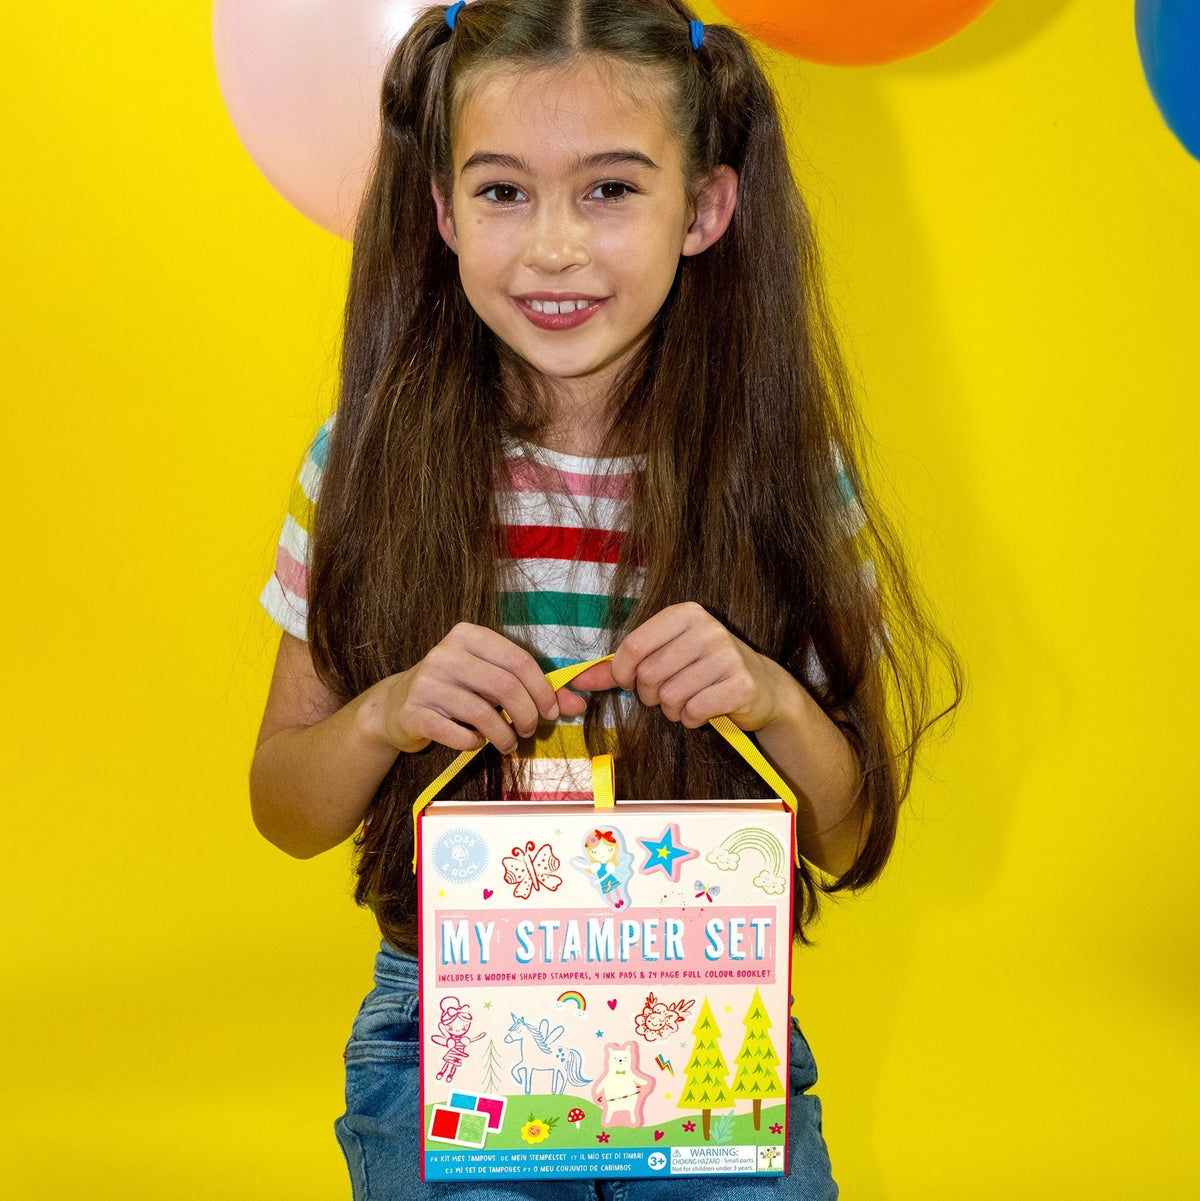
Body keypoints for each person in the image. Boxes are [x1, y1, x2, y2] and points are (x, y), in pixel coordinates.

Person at [251, 1, 959, 1197]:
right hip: (441, 1030)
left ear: (707, 209)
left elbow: (849, 835)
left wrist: (775, 698)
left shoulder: (782, 472)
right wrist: (382, 715)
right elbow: (284, 807)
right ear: (441, 211)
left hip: (705, 1022)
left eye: (612, 190)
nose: (554, 248)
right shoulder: (364, 466)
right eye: (503, 191)